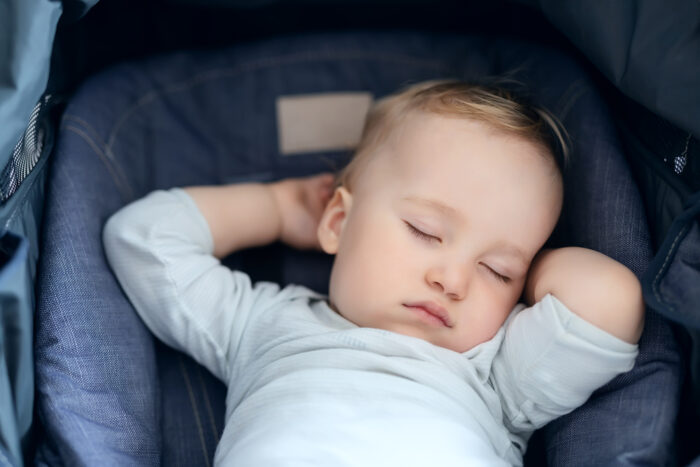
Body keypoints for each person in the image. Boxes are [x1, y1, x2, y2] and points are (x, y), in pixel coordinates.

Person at [102, 80, 644, 466]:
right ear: (337, 220)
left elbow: (610, 302)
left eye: (495, 270)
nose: (454, 281)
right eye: (426, 232)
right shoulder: (260, 326)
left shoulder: (495, 374)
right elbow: (145, 238)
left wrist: (530, 265)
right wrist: (276, 206)